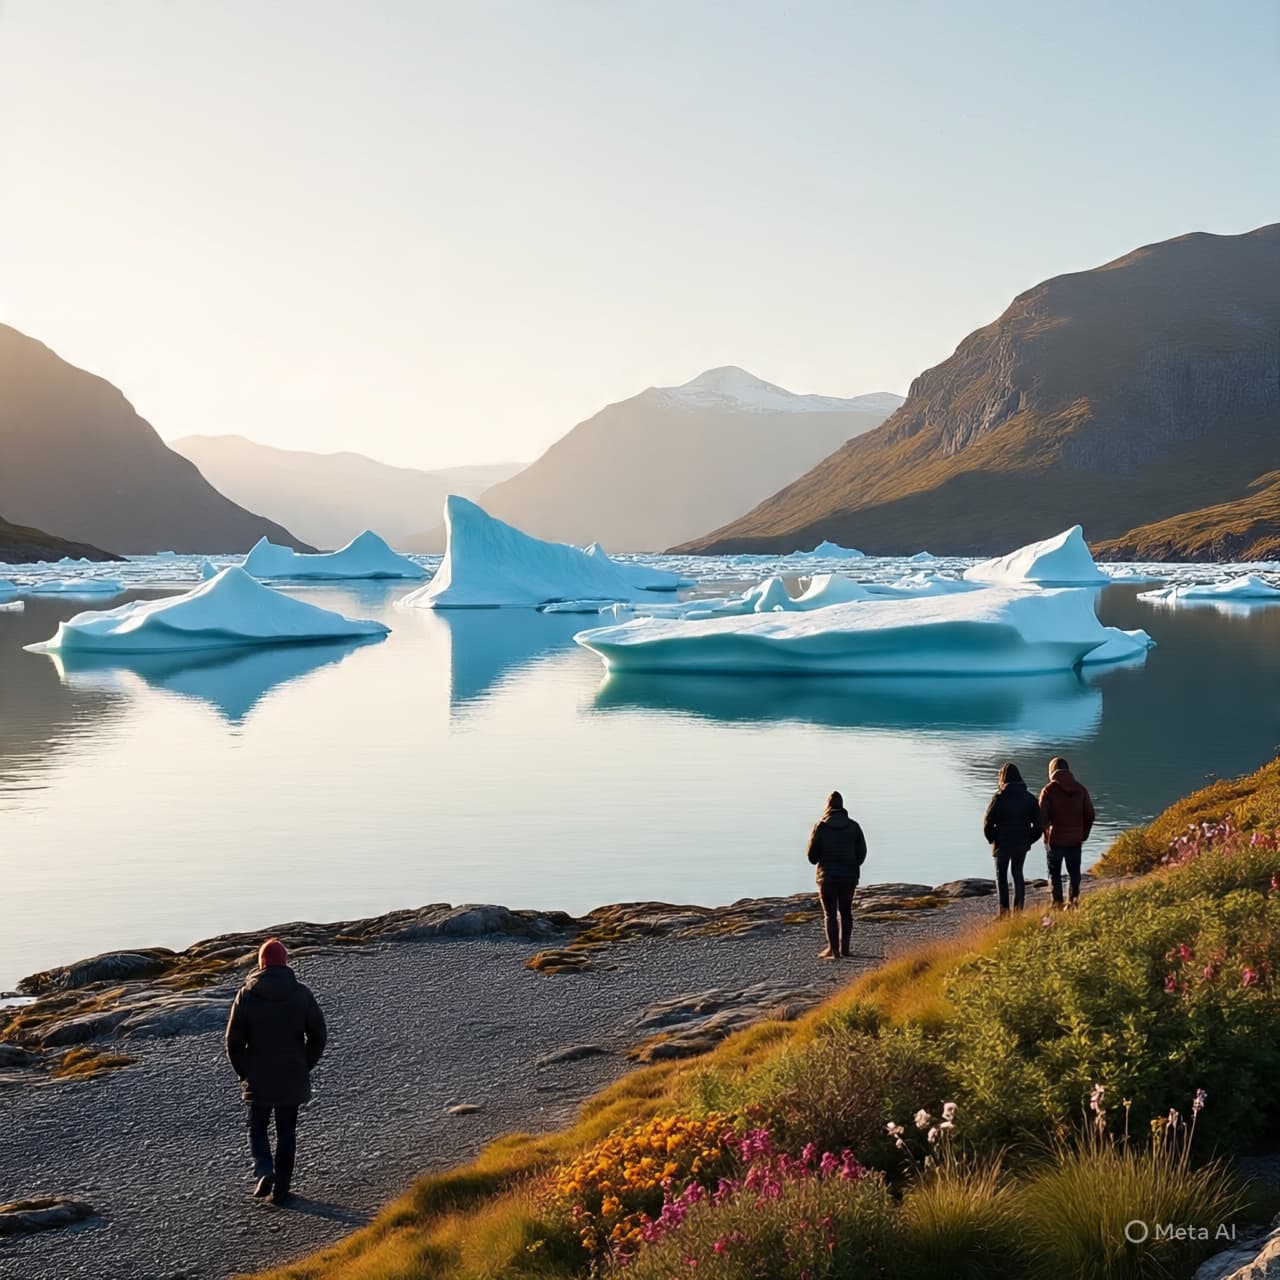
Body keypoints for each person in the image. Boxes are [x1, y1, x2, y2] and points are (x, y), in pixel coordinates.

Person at [224, 938, 327, 1205]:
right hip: (292, 1076)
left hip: (258, 1078)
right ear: (285, 962)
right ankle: (281, 1191)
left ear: (261, 963)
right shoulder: (302, 993)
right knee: (286, 1131)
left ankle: (263, 1168)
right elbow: (318, 1035)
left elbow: (233, 1042)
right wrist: (305, 1064)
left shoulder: (246, 993)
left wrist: (243, 1072)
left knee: (257, 1126)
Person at [806, 790, 867, 960]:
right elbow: (862, 853)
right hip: (849, 876)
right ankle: (845, 948)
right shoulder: (854, 826)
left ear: (827, 806)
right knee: (846, 911)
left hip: (827, 876)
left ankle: (834, 951)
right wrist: (853, 865)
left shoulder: (821, 827)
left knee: (830, 914)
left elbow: (812, 857)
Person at [982, 762, 1043, 915]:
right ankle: (1018, 912)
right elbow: (1039, 825)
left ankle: (1004, 913)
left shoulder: (999, 798)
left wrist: (992, 839)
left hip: (1002, 843)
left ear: (1002, 778)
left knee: (1001, 876)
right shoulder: (1030, 798)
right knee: (1018, 873)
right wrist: (1029, 840)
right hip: (1021, 842)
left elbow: (988, 823)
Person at [1039, 757, 1096, 909]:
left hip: (1055, 839)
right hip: (1075, 839)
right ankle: (1073, 902)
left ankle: (1057, 903)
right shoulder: (1081, 789)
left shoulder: (1048, 790)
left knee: (1054, 874)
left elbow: (1042, 817)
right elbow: (1090, 814)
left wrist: (1045, 834)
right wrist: (1084, 834)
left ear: (1051, 771)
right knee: (1074, 873)